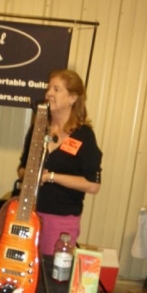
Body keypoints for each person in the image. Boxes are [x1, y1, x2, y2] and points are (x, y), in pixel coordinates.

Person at [17, 69, 102, 255]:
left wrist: (51, 177)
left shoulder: (84, 136)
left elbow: (93, 185)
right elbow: (22, 169)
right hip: (27, 214)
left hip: (61, 219)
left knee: (50, 272)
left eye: (56, 89)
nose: (49, 93)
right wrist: (32, 175)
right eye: (49, 88)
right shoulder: (38, 128)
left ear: (72, 98)